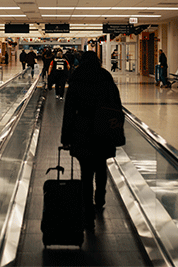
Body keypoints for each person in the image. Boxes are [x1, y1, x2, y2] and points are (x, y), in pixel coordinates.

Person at [61, 51, 123, 230]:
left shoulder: (77, 76)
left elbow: (69, 110)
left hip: (83, 129)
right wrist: (116, 128)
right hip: (103, 127)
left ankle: (88, 212)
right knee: (101, 164)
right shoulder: (105, 76)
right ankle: (100, 198)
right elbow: (116, 103)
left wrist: (66, 137)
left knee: (86, 172)